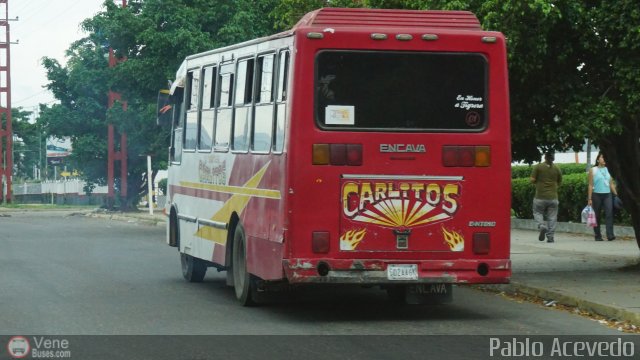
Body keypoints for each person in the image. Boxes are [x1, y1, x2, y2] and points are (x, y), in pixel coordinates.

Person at [530, 152, 562, 243]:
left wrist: (537, 182)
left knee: (537, 212)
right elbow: (560, 182)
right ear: (553, 158)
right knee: (552, 217)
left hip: (540, 196)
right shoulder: (557, 169)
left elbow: (532, 180)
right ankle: (550, 237)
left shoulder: (538, 167)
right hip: (553, 198)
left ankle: (541, 225)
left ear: (545, 157)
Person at [588, 151, 618, 241]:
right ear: (598, 159)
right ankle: (597, 235)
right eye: (602, 157)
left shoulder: (608, 169)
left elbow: (611, 183)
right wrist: (589, 198)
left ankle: (610, 235)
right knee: (596, 215)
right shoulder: (593, 170)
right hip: (596, 194)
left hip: (607, 194)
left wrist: (616, 194)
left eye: (605, 158)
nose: (604, 159)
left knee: (609, 214)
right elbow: (590, 185)